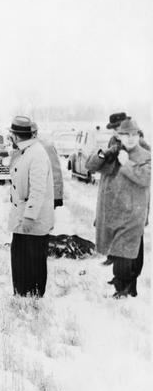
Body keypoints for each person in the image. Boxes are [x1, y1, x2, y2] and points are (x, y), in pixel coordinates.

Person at [85, 118, 150, 298]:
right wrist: (104, 153)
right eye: (118, 132)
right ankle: (121, 281)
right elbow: (90, 165)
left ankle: (127, 286)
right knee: (120, 249)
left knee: (131, 250)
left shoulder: (142, 150)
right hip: (113, 208)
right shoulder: (114, 147)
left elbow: (144, 179)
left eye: (131, 134)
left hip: (132, 209)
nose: (116, 133)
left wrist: (125, 162)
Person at [7, 116, 55, 297]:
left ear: (17, 136)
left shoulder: (36, 154)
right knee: (21, 258)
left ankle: (33, 296)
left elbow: (38, 190)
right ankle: (22, 295)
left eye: (11, 134)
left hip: (32, 219)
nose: (10, 137)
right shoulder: (26, 151)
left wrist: (29, 216)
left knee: (32, 258)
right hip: (24, 216)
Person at [31, 121, 64, 208]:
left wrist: (57, 196)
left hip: (43, 198)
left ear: (35, 133)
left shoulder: (46, 147)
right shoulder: (20, 149)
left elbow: (56, 172)